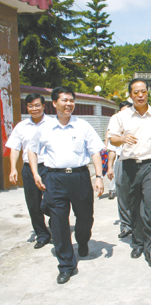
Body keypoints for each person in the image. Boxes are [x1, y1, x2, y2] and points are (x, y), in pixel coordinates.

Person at [28, 86, 105, 284]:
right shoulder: (44, 128)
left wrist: (98, 176)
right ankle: (66, 265)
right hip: (54, 178)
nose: (69, 104)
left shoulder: (83, 126)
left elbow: (95, 151)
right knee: (59, 222)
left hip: (79, 177)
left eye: (71, 100)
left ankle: (82, 240)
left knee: (85, 216)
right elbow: (32, 150)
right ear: (54, 103)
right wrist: (36, 173)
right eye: (64, 100)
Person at [108, 79, 151, 268]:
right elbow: (112, 139)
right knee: (133, 205)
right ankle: (137, 242)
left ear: (147, 93)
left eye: (143, 91)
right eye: (136, 92)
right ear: (130, 95)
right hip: (129, 165)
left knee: (150, 205)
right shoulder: (121, 116)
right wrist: (122, 138)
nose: (141, 95)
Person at [6, 93, 52, 249]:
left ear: (44, 106)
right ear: (27, 107)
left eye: (37, 105)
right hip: (28, 168)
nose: (34, 109)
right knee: (33, 203)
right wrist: (13, 168)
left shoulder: (53, 124)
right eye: (31, 106)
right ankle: (42, 234)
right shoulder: (21, 126)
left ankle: (56, 223)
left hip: (49, 167)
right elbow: (15, 148)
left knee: (52, 200)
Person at [106, 101, 133, 238]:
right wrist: (110, 167)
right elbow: (112, 150)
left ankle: (137, 223)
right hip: (121, 162)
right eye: (122, 111)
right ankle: (126, 225)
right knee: (122, 194)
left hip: (135, 162)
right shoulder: (116, 129)